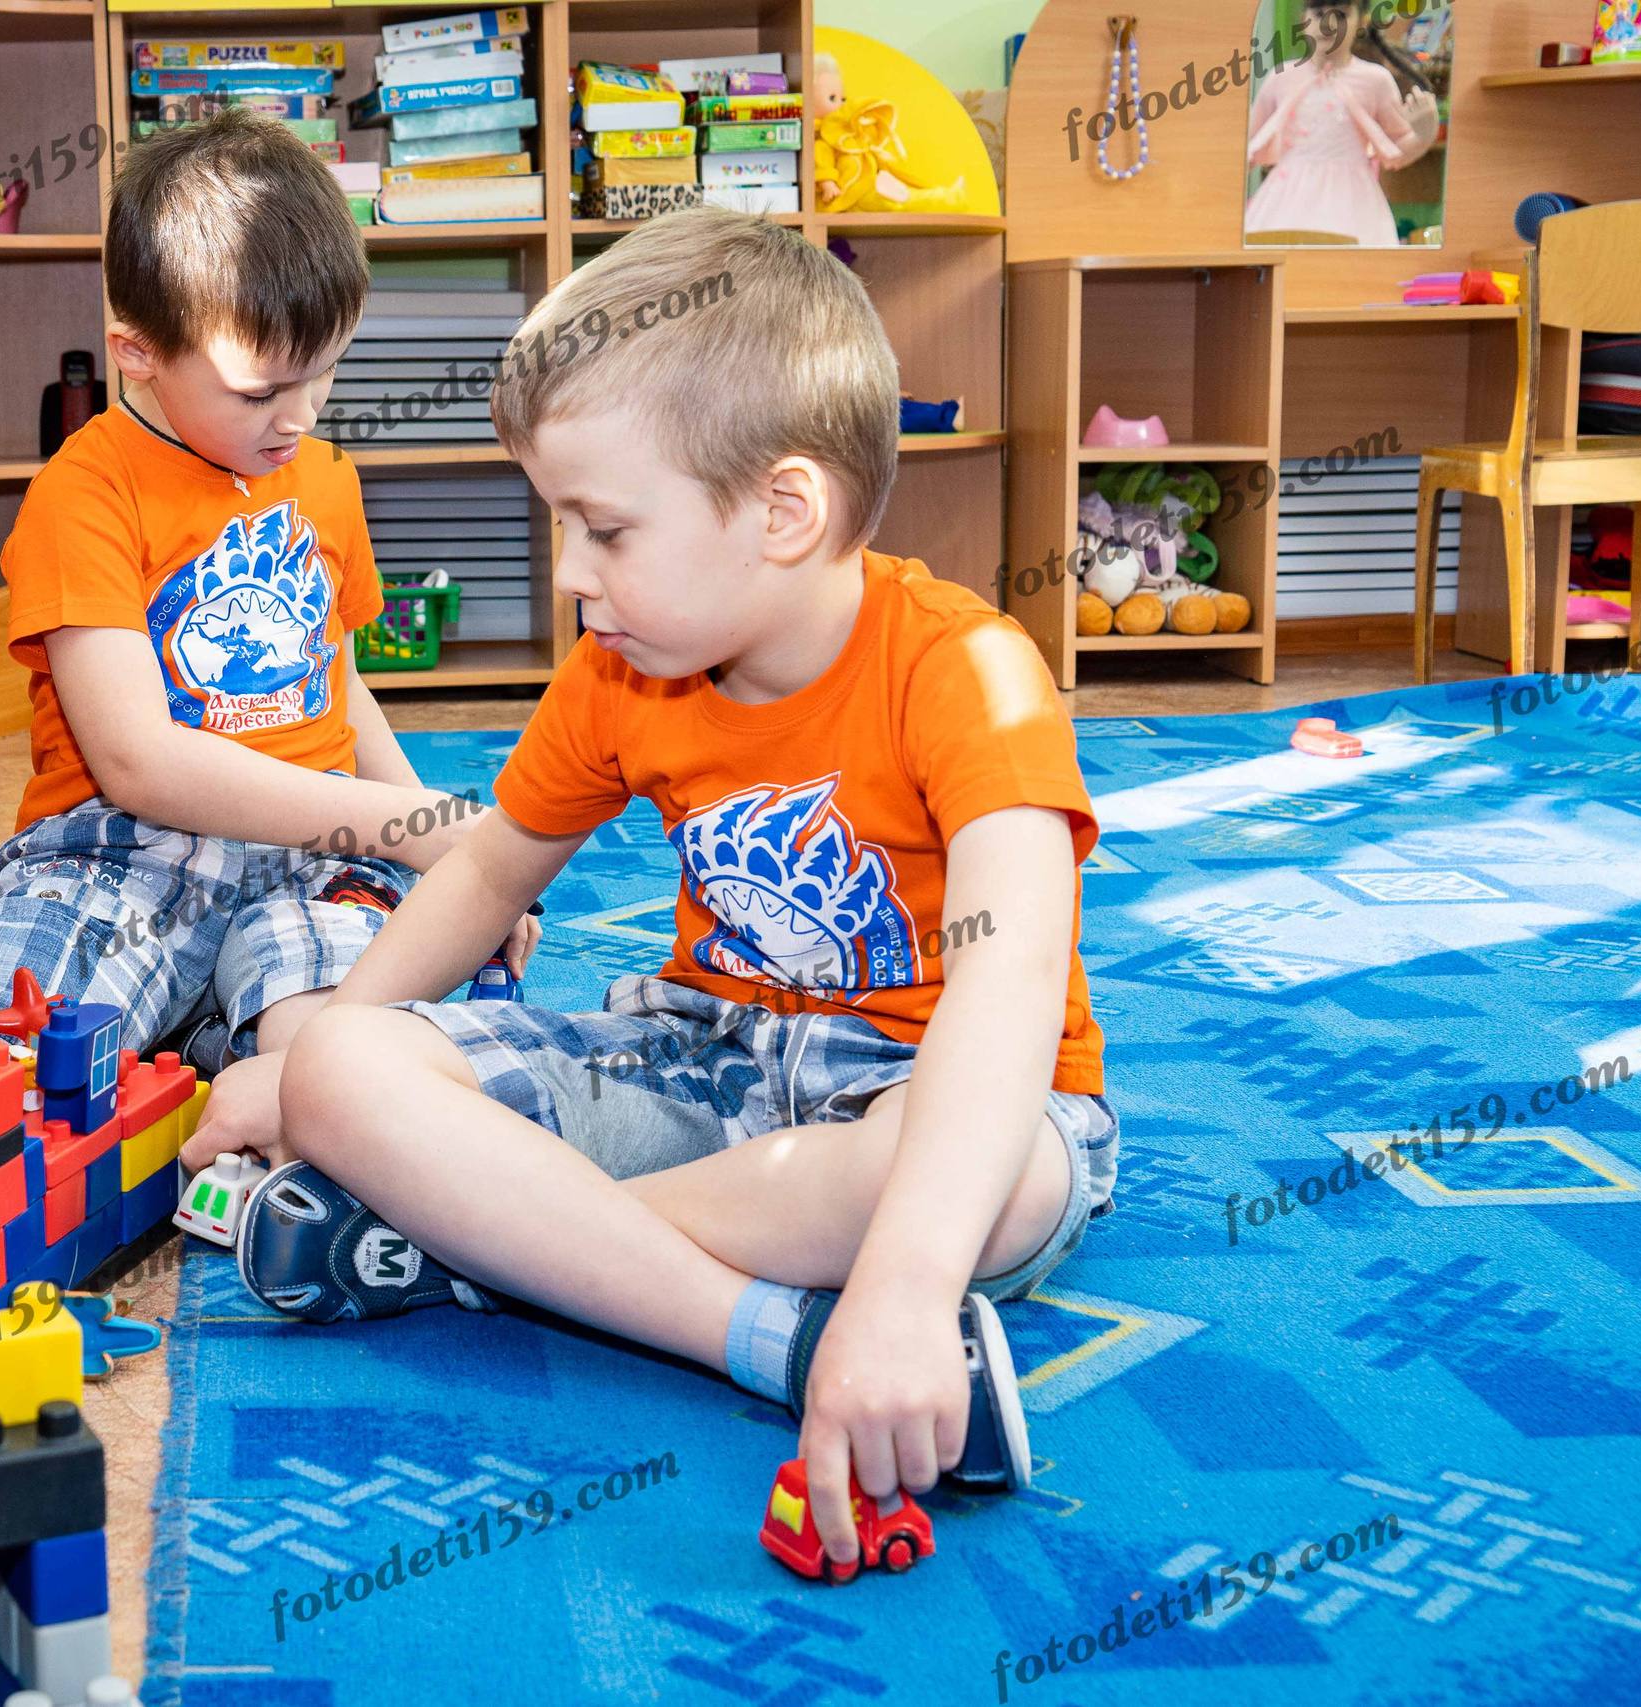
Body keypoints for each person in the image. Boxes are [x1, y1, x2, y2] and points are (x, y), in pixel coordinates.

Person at [182, 208, 1116, 1571]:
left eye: (603, 527)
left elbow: (1013, 969)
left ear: (782, 511)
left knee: (1009, 1180)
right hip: (703, 1061)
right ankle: (762, 1330)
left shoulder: (969, 670)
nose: (569, 576)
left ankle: (475, 1234)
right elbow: (493, 864)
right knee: (341, 1067)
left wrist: (912, 1287)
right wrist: (326, 1046)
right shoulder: (617, 669)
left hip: (927, 1092)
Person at [0, 109, 534, 1069]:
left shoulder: (324, 477)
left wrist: (447, 846)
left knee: (347, 1059)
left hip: (317, 858)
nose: (299, 417)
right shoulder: (85, 491)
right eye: (258, 391)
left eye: (323, 376)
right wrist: (399, 824)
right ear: (137, 350)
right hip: (123, 853)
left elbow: (341, 689)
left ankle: (249, 1068)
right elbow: (140, 763)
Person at [1243, 0, 1442, 247]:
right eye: (1318, 14)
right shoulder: (1280, 77)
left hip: (1353, 202)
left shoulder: (1375, 80)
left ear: (1362, 22)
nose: (1328, 25)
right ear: (1302, 20)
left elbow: (1397, 150)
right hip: (1284, 199)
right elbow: (1246, 149)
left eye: (1342, 15)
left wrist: (1424, 135)